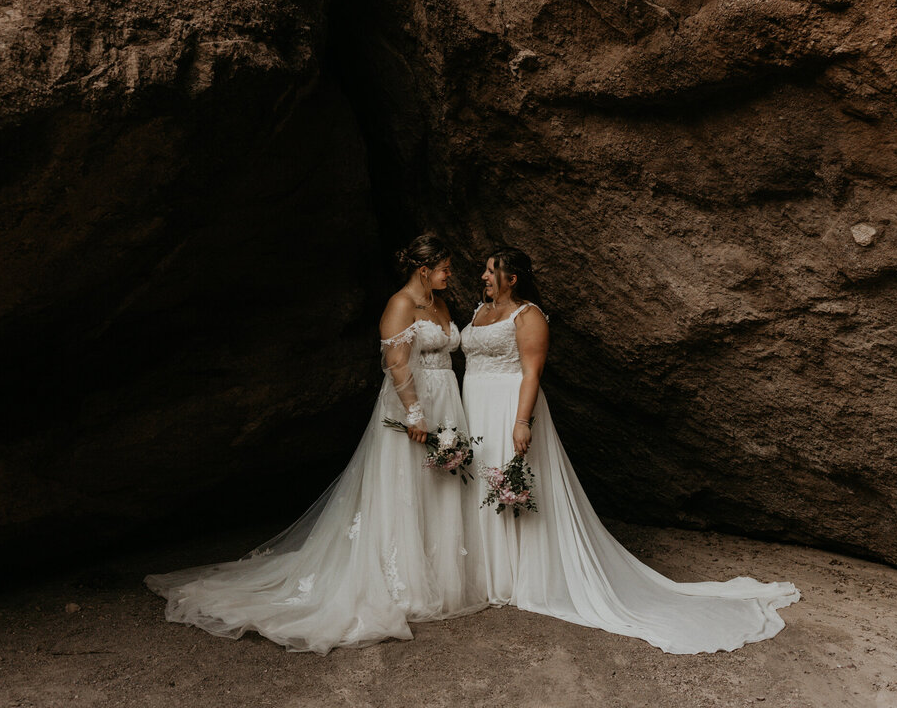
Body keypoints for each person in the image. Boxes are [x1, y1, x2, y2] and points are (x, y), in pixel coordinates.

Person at [145, 234, 487, 654]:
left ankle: (439, 572)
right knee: (405, 488)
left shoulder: (439, 303)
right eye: (444, 268)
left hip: (445, 399)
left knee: (438, 485)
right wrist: (415, 413)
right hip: (413, 403)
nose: (449, 274)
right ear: (423, 269)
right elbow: (396, 362)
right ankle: (401, 581)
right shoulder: (400, 304)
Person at [460, 246, 800, 654]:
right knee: (481, 482)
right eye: (483, 270)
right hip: (473, 406)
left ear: (511, 279)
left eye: (490, 271)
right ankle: (486, 571)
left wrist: (521, 421)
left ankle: (519, 575)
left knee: (513, 482)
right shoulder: (479, 312)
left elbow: (532, 372)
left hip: (509, 406)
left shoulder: (528, 315)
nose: (482, 276)